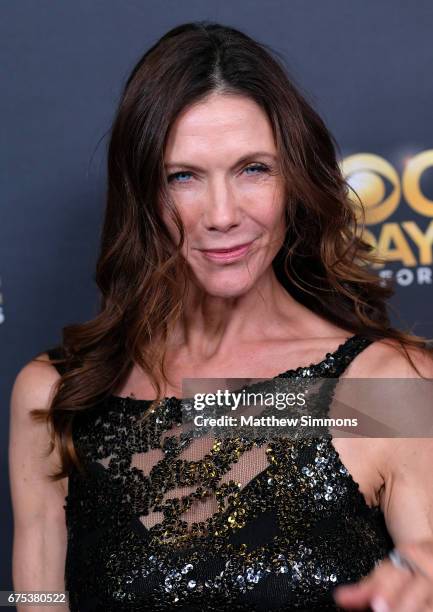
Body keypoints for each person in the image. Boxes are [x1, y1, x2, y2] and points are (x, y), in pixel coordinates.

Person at [9, 20, 433, 612]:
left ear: (296, 180)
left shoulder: (385, 387)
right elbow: (38, 597)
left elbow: (425, 568)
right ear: (142, 195)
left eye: (253, 169)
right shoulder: (58, 396)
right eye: (183, 177)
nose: (222, 214)